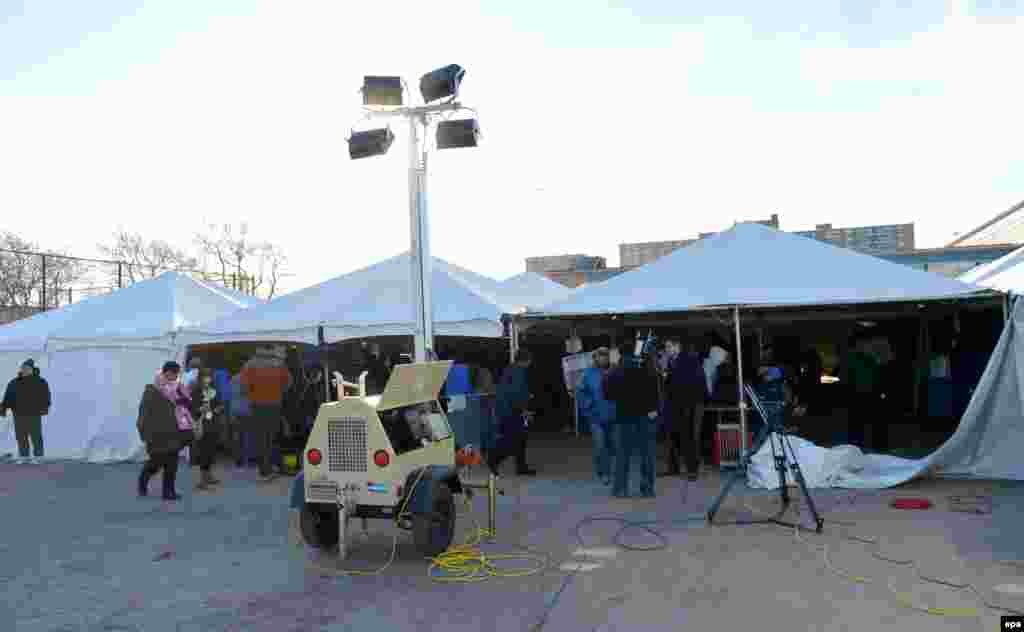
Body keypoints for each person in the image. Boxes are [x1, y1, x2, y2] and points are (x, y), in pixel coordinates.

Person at [602, 344, 660, 497]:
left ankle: (620, 489)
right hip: (645, 415)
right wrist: (653, 409)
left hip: (624, 416)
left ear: (619, 353)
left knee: (622, 455)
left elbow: (607, 394)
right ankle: (647, 489)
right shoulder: (646, 366)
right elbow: (656, 389)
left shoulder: (615, 370)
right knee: (647, 454)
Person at [137, 362, 194, 501]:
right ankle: (143, 480)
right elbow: (143, 414)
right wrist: (144, 434)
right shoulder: (152, 391)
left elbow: (186, 405)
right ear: (166, 373)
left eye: (177, 374)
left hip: (174, 433)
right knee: (156, 463)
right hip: (157, 435)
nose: (176, 377)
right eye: (174, 374)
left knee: (172, 464)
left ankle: (168, 492)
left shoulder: (178, 389)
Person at [240, 345, 292, 482]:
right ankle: (269, 467)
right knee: (271, 436)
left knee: (259, 437)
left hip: (256, 405)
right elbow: (288, 383)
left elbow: (243, 386)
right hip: (274, 404)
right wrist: (278, 392)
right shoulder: (279, 364)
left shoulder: (250, 364)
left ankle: (264, 469)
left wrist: (252, 394)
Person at [487, 349, 537, 477]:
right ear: (526, 360)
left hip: (505, 409)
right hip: (511, 411)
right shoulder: (519, 372)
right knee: (513, 441)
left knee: (520, 440)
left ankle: (521, 467)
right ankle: (493, 459)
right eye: (530, 360)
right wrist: (525, 411)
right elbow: (516, 393)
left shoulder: (509, 369)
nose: (530, 363)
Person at [662, 339, 706, 481]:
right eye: (666, 347)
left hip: (689, 405)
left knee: (689, 438)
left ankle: (692, 470)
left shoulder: (689, 359)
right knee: (673, 437)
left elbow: (697, 381)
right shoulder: (670, 362)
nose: (666, 349)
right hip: (674, 405)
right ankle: (673, 468)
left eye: (669, 346)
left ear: (677, 346)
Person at [576, 347, 616, 485]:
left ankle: (608, 470)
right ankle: (604, 472)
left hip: (613, 416)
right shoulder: (587, 373)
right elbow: (580, 392)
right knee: (600, 445)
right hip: (596, 417)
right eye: (601, 356)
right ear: (595, 358)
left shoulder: (614, 371)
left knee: (612, 446)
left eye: (606, 356)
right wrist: (589, 407)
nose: (604, 358)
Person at [1, 359, 52, 464]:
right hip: (18, 413)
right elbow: (8, 396)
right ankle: (24, 456)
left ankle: (39, 456)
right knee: (21, 435)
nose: (25, 370)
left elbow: (46, 396)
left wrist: (44, 408)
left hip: (34, 413)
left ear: (32, 370)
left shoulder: (40, 382)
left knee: (35, 435)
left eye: (27, 368)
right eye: (23, 368)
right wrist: (3, 408)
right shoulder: (14, 382)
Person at [845, 336, 884, 452]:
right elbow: (877, 376)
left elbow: (848, 377)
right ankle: (866, 444)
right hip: (865, 393)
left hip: (861, 394)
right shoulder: (867, 359)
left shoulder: (863, 360)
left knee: (859, 421)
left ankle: (857, 445)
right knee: (866, 420)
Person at [189, 369, 224, 490]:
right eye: (205, 377)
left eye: (209, 377)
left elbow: (219, 404)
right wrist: (200, 410)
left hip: (213, 423)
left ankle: (208, 475)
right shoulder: (196, 392)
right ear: (200, 378)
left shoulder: (213, 390)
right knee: (203, 451)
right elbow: (192, 408)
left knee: (211, 450)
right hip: (202, 424)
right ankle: (203, 479)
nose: (207, 379)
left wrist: (218, 408)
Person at [228, 368, 251, 467]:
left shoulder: (233, 379)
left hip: (234, 410)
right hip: (246, 410)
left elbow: (229, 395)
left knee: (237, 436)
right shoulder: (249, 379)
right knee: (246, 435)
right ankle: (245, 459)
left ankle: (238, 459)